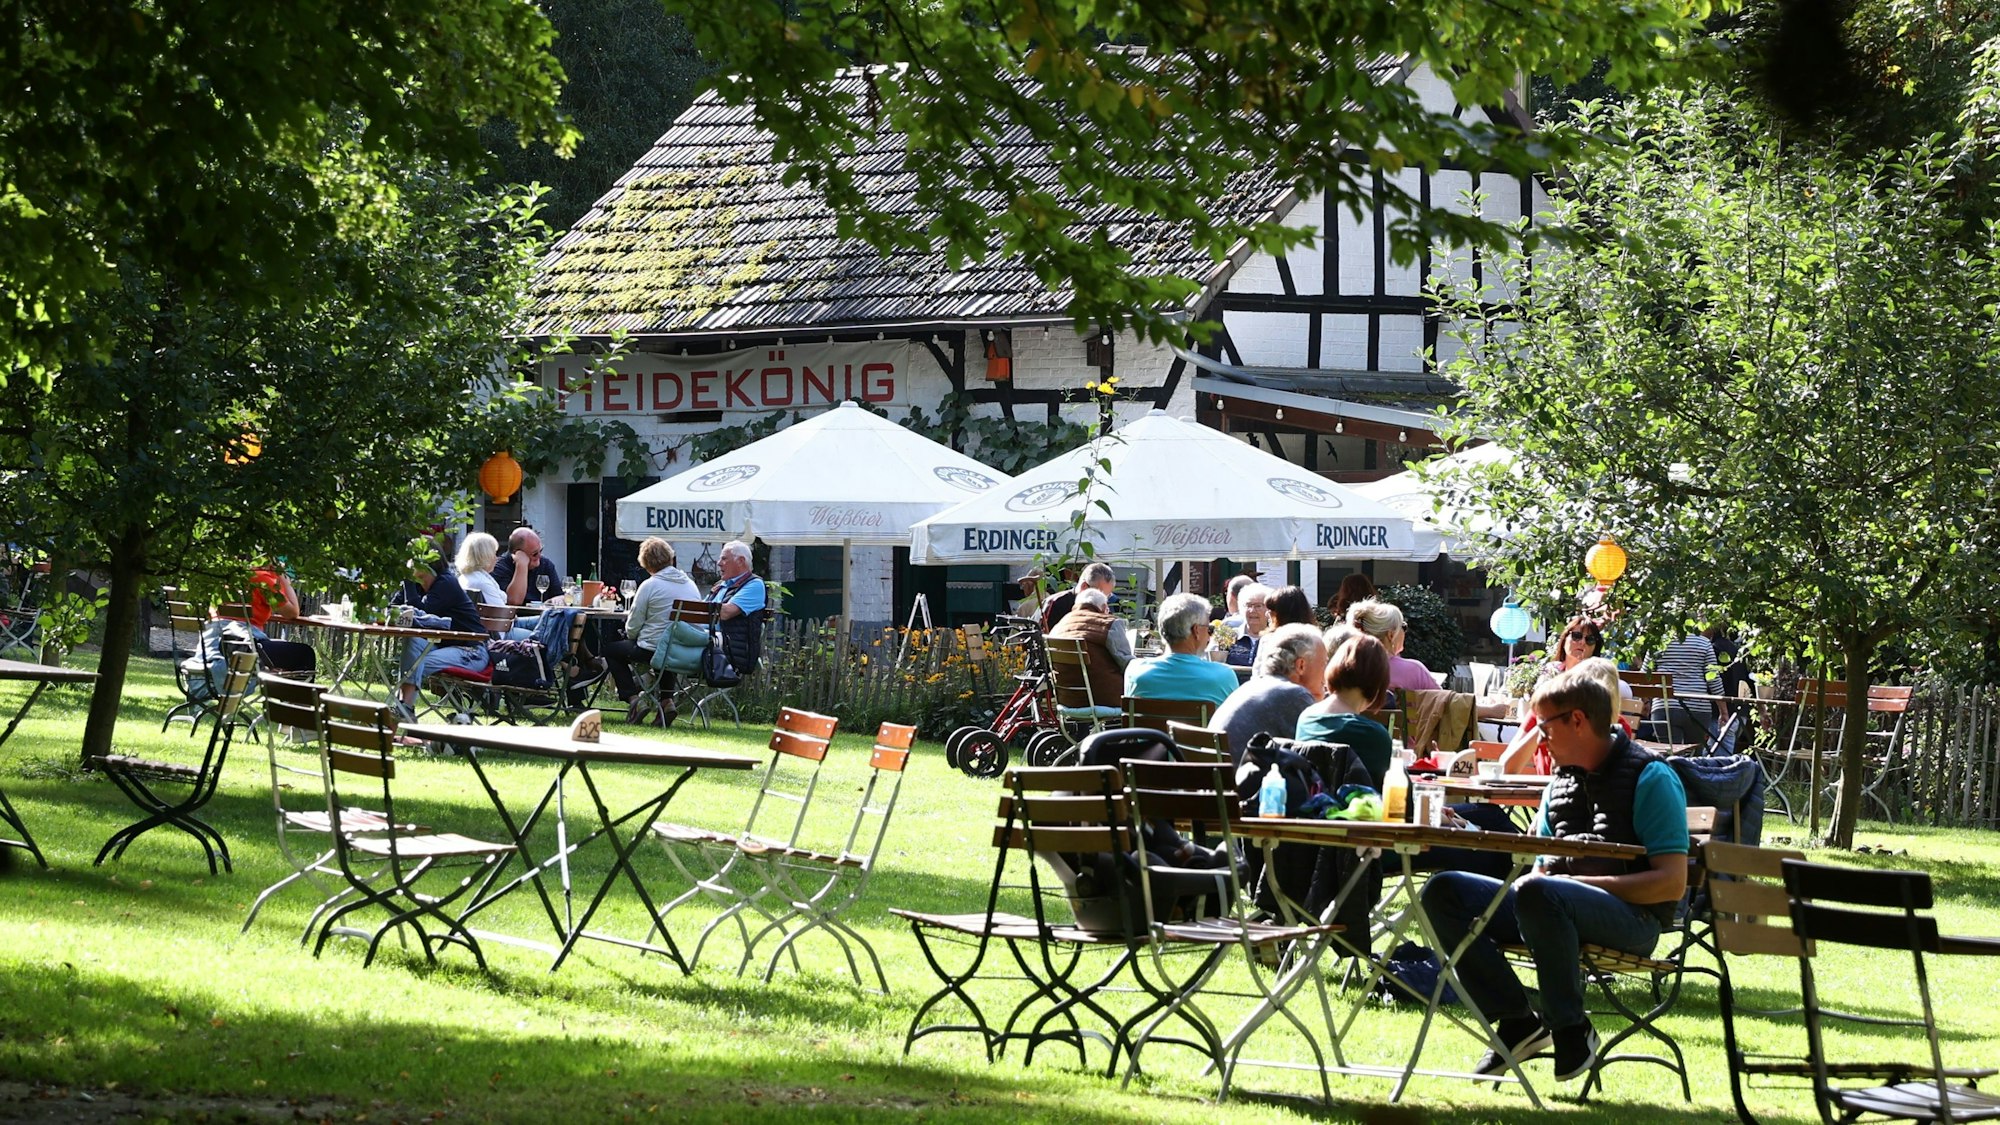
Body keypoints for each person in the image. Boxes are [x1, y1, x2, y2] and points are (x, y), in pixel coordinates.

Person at [1419, 668, 1690, 1083]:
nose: (1537, 736)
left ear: (1578, 720)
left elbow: (1671, 883)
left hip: (1633, 919)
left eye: (1543, 725)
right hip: (1550, 905)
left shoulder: (1650, 777)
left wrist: (1572, 886)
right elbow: (1543, 867)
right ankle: (1518, 1021)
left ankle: (1570, 1028)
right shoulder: (1558, 783)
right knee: (1443, 891)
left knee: (1542, 893)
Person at [606, 538, 704, 726]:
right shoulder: (690, 584)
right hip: (683, 649)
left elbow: (633, 626)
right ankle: (667, 702)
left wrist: (632, 636)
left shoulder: (650, 585)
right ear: (670, 558)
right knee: (666, 649)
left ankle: (634, 700)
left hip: (654, 649)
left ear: (646, 563)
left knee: (611, 650)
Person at [389, 554, 489, 722]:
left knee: (413, 664)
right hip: (445, 647)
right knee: (414, 641)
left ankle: (402, 709)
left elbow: (418, 613)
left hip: (471, 651)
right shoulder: (422, 585)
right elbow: (394, 608)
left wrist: (408, 582)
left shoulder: (446, 583)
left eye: (420, 574)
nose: (417, 580)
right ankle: (405, 709)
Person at [1210, 624, 1326, 764]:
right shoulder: (1293, 695)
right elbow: (1321, 756)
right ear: (1301, 665)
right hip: (1248, 782)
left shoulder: (1252, 687)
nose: (1325, 674)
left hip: (1221, 780)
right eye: (1324, 663)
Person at [1295, 633, 1395, 787]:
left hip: (1310, 808)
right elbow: (1397, 795)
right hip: (1357, 810)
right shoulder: (1374, 736)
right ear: (1379, 683)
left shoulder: (1305, 719)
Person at [1124, 592, 1238, 708]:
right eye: (1209, 629)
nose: (1209, 636)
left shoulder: (1134, 672)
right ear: (1196, 631)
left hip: (1150, 727)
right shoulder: (1223, 676)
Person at [1047, 586, 1132, 707]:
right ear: (1103, 608)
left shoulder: (1059, 626)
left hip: (1068, 701)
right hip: (1105, 700)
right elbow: (1127, 664)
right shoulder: (1109, 623)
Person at [1648, 630, 1726, 748]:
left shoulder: (1657, 642)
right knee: (1695, 757)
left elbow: (1645, 677)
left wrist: (1644, 702)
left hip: (1664, 707)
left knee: (1669, 754)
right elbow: (1714, 679)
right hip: (1698, 709)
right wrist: (1723, 711)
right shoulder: (1704, 643)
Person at [1347, 598, 1441, 694]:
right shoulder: (1414, 671)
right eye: (1403, 627)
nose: (1405, 632)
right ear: (1391, 635)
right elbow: (1443, 703)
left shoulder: (1345, 669)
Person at [246, 559, 315, 676]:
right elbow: (292, 613)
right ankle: (295, 694)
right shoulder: (262, 579)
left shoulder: (232, 577)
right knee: (305, 653)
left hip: (216, 644)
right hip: (247, 647)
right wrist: (284, 581)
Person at [711, 539, 768, 676]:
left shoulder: (755, 585)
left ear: (741, 561)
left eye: (724, 559)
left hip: (727, 651)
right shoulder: (722, 585)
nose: (719, 563)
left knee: (672, 634)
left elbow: (725, 613)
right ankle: (666, 695)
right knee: (669, 629)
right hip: (711, 643)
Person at [492, 526, 563, 607]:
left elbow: (558, 595)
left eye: (541, 551)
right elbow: (514, 601)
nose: (539, 556)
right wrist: (522, 565)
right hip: (516, 617)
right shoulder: (500, 567)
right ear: (518, 553)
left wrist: (557, 599)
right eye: (535, 554)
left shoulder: (546, 564)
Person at [1040, 562, 1114, 632]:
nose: (1105, 601)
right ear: (1084, 587)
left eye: (1108, 596)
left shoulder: (1103, 608)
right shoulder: (1055, 604)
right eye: (1101, 595)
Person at [1225, 582, 1270, 666]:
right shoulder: (1229, 636)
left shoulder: (1276, 639)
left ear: (1268, 610)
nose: (1252, 611)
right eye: (1248, 605)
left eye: (1258, 606)